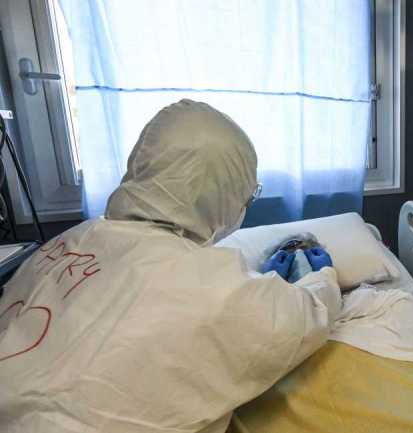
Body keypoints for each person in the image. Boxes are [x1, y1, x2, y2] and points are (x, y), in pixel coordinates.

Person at [0, 100, 341, 433]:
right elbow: (308, 317)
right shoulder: (215, 286)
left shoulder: (70, 240)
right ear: (226, 192)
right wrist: (323, 277)